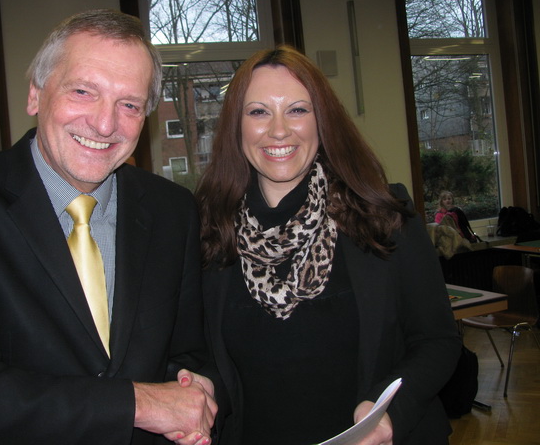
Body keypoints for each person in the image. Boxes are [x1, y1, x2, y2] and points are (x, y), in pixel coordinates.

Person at [0, 9, 218, 445]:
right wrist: (138, 404)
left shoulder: (172, 210)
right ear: (35, 95)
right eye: (83, 91)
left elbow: (188, 353)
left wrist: (199, 391)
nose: (105, 124)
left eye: (129, 104)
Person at [194, 45, 461, 445]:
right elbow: (209, 361)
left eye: (298, 110)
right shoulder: (208, 229)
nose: (279, 130)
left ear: (322, 119)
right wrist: (200, 386)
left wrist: (389, 413)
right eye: (259, 112)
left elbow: (437, 341)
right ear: (237, 126)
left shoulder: (382, 215)